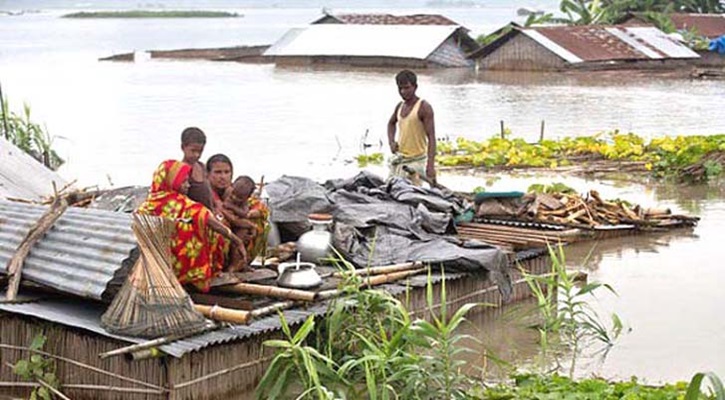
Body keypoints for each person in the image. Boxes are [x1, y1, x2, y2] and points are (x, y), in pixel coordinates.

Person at [136, 160, 246, 292]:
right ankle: (199, 274)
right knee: (213, 231)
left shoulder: (147, 204)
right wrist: (237, 241)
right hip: (182, 265)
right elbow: (210, 221)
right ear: (172, 181)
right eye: (184, 182)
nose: (188, 185)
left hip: (156, 264)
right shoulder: (182, 204)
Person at [386, 69, 437, 186]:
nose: (403, 92)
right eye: (400, 89)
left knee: (410, 195)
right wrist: (391, 142)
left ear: (415, 87)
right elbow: (391, 124)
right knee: (388, 190)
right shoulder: (400, 106)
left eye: (407, 88)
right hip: (401, 159)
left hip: (417, 161)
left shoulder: (424, 107)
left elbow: (432, 138)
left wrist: (430, 165)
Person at [219, 175, 270, 270]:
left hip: (239, 224)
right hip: (228, 223)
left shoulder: (245, 201)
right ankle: (233, 265)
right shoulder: (228, 194)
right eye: (233, 194)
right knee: (238, 239)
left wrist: (250, 225)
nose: (234, 197)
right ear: (232, 186)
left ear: (248, 197)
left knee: (245, 233)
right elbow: (233, 219)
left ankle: (242, 263)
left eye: (239, 198)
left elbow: (245, 213)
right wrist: (251, 225)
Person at [180, 127, 214, 210]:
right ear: (183, 147)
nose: (197, 155)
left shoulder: (202, 167)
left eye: (200, 151)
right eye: (193, 151)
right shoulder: (181, 170)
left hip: (209, 213)